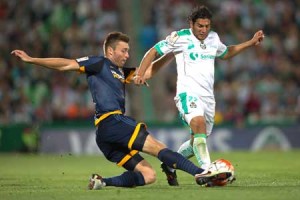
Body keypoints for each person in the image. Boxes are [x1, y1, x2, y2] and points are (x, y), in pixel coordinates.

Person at [11, 31, 231, 189]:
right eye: (123, 51)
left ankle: (102, 182)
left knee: (148, 175)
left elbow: (147, 73)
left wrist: (171, 54)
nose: (127, 55)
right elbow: (65, 63)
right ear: (110, 50)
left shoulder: (120, 72)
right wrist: (32, 60)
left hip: (104, 136)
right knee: (158, 147)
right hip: (112, 121)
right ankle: (202, 173)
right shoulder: (98, 63)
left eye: (128, 51)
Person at [134, 5, 265, 186]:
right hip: (187, 94)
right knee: (199, 124)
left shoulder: (213, 38)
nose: (203, 30)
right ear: (191, 24)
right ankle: (207, 171)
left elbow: (226, 52)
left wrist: (250, 43)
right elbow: (153, 51)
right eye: (200, 26)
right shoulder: (179, 37)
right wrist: (140, 74)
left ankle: (170, 164)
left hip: (208, 99)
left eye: (206, 26)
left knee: (197, 140)